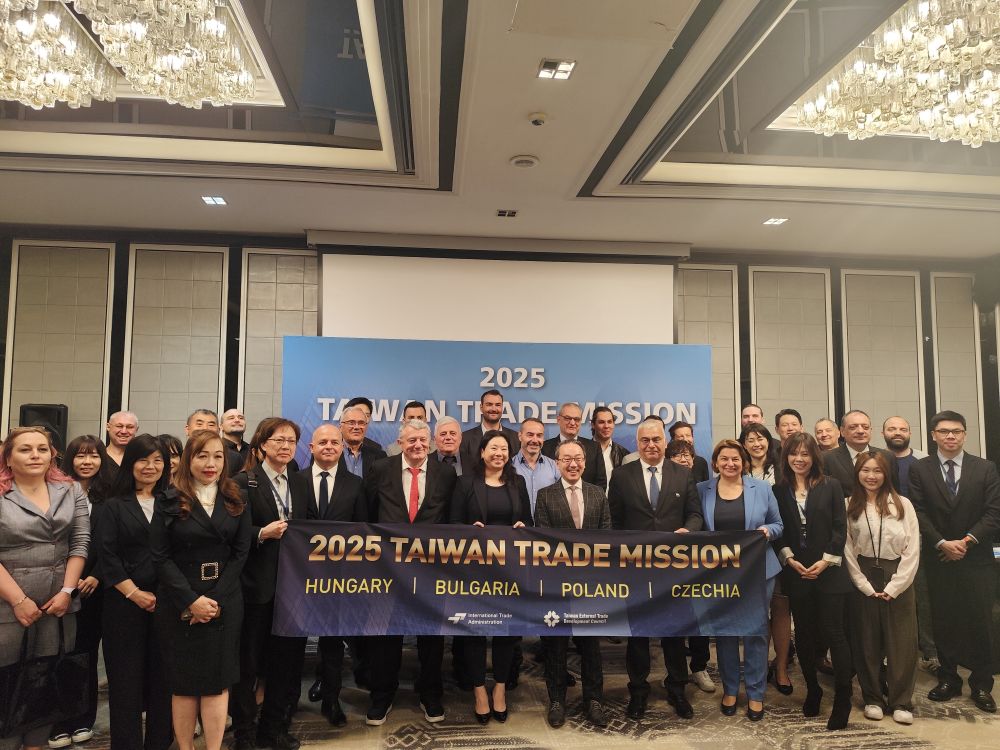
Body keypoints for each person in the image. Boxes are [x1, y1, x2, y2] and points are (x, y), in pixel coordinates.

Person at [150, 430, 250, 750]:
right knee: (183, 683)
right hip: (179, 600)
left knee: (217, 683)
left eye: (218, 456)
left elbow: (241, 553)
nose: (211, 464)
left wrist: (214, 600)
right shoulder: (168, 498)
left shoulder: (236, 496)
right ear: (188, 460)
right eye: (202, 456)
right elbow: (160, 556)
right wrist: (191, 601)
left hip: (224, 600)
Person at [0, 427, 89, 750]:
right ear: (8, 458)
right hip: (7, 603)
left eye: (42, 449)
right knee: (8, 683)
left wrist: (67, 592)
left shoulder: (71, 490)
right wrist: (18, 600)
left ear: (53, 454)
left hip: (57, 604)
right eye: (25, 449)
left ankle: (36, 745)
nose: (35, 455)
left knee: (46, 681)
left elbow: (80, 542)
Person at [364, 419, 458, 726]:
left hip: (432, 570)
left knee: (431, 636)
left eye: (422, 440)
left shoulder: (446, 473)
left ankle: (430, 693)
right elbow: (369, 513)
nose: (417, 445)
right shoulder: (381, 468)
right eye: (411, 440)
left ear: (430, 443)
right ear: (400, 443)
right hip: (388, 568)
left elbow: (450, 518)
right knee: (386, 635)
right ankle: (382, 695)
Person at [608, 418, 703, 721]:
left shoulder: (682, 474)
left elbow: (695, 514)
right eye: (645, 440)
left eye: (656, 439)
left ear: (665, 442)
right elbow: (614, 521)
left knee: (675, 633)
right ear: (638, 443)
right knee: (638, 635)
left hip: (673, 569)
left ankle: (677, 689)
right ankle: (638, 691)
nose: (651, 445)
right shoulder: (621, 476)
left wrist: (688, 531)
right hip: (635, 570)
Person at [910, 410, 1000, 714]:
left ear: (964, 434)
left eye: (957, 431)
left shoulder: (985, 468)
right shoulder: (920, 469)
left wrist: (966, 541)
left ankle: (981, 684)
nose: (951, 436)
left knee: (981, 622)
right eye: (944, 431)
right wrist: (941, 542)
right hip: (939, 558)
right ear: (933, 435)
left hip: (977, 559)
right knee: (944, 620)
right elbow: (917, 511)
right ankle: (949, 678)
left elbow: (993, 512)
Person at [231, 418, 309, 750]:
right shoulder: (243, 482)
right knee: (248, 665)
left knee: (284, 663)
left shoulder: (301, 482)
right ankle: (244, 733)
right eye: (279, 440)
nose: (286, 446)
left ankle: (273, 729)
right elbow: (231, 533)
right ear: (262, 444)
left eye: (291, 441)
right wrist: (262, 533)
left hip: (292, 589)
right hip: (255, 588)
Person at [696, 439, 783, 721]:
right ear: (715, 463)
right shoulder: (702, 490)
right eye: (724, 459)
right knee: (725, 632)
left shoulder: (763, 488)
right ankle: (731, 689)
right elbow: (697, 527)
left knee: (756, 632)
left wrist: (766, 531)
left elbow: (779, 525)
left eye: (735, 459)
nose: (730, 463)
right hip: (719, 574)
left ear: (744, 462)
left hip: (758, 571)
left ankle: (756, 693)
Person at [450, 432, 531, 724]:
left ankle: (499, 688)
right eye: (493, 448)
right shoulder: (465, 483)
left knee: (505, 632)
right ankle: (479, 693)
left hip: (509, 571)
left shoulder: (517, 482)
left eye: (504, 449)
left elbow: (529, 522)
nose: (499, 453)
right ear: (482, 452)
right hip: (473, 570)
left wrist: (522, 526)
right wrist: (468, 530)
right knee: (474, 631)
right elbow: (452, 523)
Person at [98, 434, 173, 750]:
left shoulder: (174, 503)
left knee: (163, 680)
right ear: (130, 464)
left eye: (158, 460)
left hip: (167, 603)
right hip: (124, 604)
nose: (150, 466)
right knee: (125, 683)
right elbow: (108, 557)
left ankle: (160, 742)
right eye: (143, 459)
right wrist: (134, 594)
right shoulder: (113, 506)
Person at [773, 432, 853, 730]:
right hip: (797, 572)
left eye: (805, 453)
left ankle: (843, 698)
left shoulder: (831, 485)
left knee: (835, 633)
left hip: (829, 571)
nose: (799, 459)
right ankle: (813, 690)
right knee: (804, 634)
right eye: (794, 453)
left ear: (814, 457)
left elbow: (840, 527)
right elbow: (779, 530)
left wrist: (826, 560)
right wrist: (789, 559)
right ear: (786, 457)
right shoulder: (778, 489)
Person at [534, 439, 611, 729]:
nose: (573, 464)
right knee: (556, 645)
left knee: (591, 645)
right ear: (557, 464)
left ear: (585, 462)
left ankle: (594, 700)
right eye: (566, 459)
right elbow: (543, 541)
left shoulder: (597, 494)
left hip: (591, 585)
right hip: (557, 584)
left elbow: (607, 537)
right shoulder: (545, 496)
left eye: (578, 458)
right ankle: (557, 700)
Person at [295, 424, 366, 727]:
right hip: (298, 575)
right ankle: (288, 701)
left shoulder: (356, 484)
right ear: (311, 448)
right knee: (293, 641)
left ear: (342, 448)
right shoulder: (295, 481)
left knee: (333, 642)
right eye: (322, 442)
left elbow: (363, 531)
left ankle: (331, 700)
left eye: (334, 443)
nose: (328, 446)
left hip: (340, 578)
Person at [843, 451, 920, 725]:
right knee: (866, 640)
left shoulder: (903, 504)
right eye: (865, 470)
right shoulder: (848, 505)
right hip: (863, 573)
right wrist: (863, 584)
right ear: (857, 474)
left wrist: (896, 585)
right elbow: (846, 549)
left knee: (902, 642)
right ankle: (873, 698)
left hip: (898, 573)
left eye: (877, 470)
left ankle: (901, 701)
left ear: (886, 474)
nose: (871, 476)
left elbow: (913, 549)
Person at [48, 437, 114, 748]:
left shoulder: (110, 496)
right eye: (81, 456)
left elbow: (113, 542)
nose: (87, 462)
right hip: (58, 586)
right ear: (70, 459)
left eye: (94, 456)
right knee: (58, 652)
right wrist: (68, 580)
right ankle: (56, 721)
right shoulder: (54, 491)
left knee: (86, 653)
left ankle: (83, 718)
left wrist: (97, 575)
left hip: (95, 588)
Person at [739, 423, 792, 694]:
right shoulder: (736, 469)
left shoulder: (782, 470)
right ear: (743, 444)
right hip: (746, 554)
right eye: (750, 439)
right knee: (754, 612)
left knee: (781, 608)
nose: (756, 444)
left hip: (779, 545)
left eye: (760, 438)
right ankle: (755, 667)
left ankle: (781, 667)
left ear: (769, 442)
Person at [881, 416, 935, 672]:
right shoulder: (877, 460)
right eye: (892, 428)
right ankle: (888, 652)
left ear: (910, 432)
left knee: (922, 597)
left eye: (903, 429)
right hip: (883, 542)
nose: (897, 432)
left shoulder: (923, 461)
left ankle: (929, 651)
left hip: (918, 539)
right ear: (883, 433)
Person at [822, 410, 899, 496]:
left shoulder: (887, 457)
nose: (860, 431)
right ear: (842, 431)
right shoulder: (827, 458)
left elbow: (894, 493)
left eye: (865, 427)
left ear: (870, 430)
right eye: (853, 427)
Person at [542, 403, 606, 489]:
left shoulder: (594, 448)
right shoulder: (544, 448)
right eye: (567, 418)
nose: (572, 423)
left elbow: (601, 483)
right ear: (558, 419)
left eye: (576, 419)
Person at [512, 418, 560, 516]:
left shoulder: (554, 466)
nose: (535, 440)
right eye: (530, 435)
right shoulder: (509, 465)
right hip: (518, 524)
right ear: (520, 436)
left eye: (539, 435)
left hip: (547, 525)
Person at [460, 390, 520, 465]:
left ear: (502, 408)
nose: (494, 409)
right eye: (489, 404)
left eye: (498, 405)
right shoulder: (464, 438)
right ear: (481, 407)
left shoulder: (516, 438)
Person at [340, 405, 386, 481]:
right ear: (340, 427)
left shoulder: (379, 456)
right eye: (351, 423)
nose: (356, 427)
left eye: (361, 423)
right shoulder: (330, 453)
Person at [591, 406, 628, 489]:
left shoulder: (624, 454)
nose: (606, 426)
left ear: (613, 424)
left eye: (610, 422)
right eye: (601, 422)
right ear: (593, 425)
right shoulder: (582, 451)